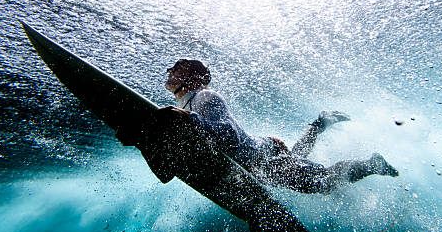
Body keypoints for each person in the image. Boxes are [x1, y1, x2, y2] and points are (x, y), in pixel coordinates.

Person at [160, 59, 398, 194]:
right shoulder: (190, 103)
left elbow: (229, 135)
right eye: (172, 68)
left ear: (195, 78)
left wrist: (187, 119)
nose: (170, 71)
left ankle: (371, 164)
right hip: (262, 155)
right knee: (296, 159)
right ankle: (320, 123)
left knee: (322, 183)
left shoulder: (204, 97)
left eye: (179, 69)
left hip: (262, 160)